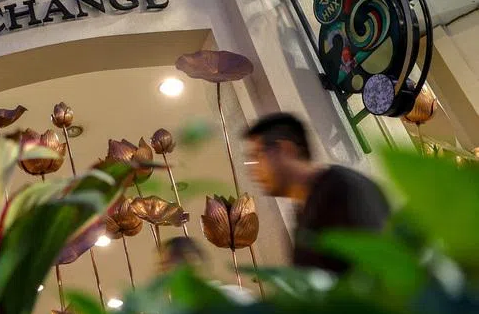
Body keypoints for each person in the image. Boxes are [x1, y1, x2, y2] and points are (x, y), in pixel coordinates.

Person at [243, 113, 389, 275]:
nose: (253, 170)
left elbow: (376, 271)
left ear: (286, 150)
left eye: (257, 156)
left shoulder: (342, 189)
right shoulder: (302, 212)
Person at [158, 237, 254, 304]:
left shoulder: (233, 298)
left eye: (167, 266)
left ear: (193, 260)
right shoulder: (177, 310)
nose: (162, 275)